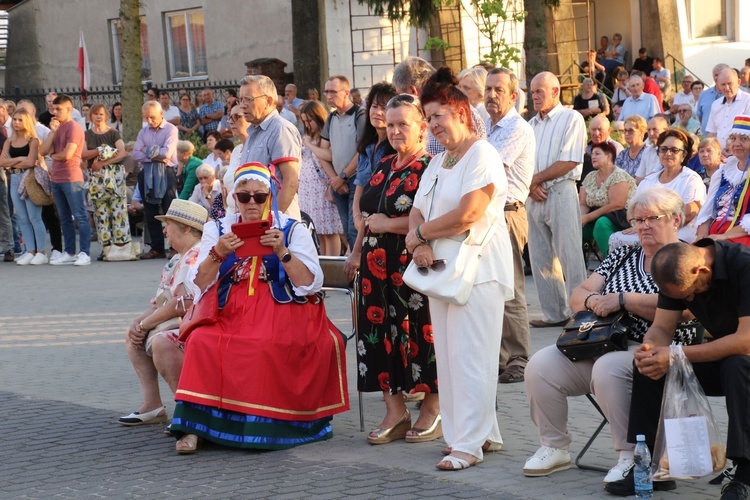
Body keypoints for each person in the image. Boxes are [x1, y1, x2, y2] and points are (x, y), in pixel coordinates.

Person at [524, 187, 699, 485]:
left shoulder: (686, 258)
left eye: (652, 218)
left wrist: (622, 300)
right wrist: (594, 301)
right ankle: (554, 446)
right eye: (637, 219)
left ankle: (632, 455)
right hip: (601, 342)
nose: (643, 226)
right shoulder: (622, 256)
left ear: (676, 220)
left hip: (657, 353)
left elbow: (686, 311)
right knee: (540, 365)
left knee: (609, 369)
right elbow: (578, 295)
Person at [173, 163, 349, 454]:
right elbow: (198, 285)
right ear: (232, 197)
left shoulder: (292, 229)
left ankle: (260, 430)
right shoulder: (216, 229)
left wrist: (282, 252)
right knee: (201, 342)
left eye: (259, 196)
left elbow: (310, 284)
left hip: (284, 308)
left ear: (271, 195)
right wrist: (219, 252)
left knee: (261, 345)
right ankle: (193, 427)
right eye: (244, 197)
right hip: (230, 310)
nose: (251, 202)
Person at [405, 67, 514, 470]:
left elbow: (469, 213)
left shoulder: (481, 153)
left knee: (472, 357)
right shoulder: (439, 160)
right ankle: (473, 433)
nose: (433, 124)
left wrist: (418, 235)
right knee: (450, 359)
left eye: (439, 116)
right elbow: (418, 207)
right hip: (442, 267)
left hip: (478, 269)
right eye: (429, 117)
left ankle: (469, 444)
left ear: (463, 114)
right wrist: (418, 238)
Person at [608, 239, 750, 498]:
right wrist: (650, 348)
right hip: (726, 354)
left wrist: (674, 354)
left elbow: (745, 342)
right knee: (650, 367)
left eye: (691, 293)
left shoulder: (744, 265)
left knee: (737, 365)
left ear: (702, 270)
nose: (690, 299)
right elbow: (662, 327)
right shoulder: (675, 269)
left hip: (744, 355)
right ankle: (651, 467)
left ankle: (745, 476)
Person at [351, 93, 438, 446]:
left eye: (404, 124)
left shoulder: (431, 166)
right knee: (377, 336)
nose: (396, 131)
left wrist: (389, 226)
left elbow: (431, 221)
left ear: (422, 126)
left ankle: (432, 409)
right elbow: (369, 217)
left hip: (410, 265)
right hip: (374, 268)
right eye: (390, 125)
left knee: (419, 335)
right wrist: (356, 250)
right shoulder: (385, 163)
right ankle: (395, 410)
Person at [119, 199, 205, 427]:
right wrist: (138, 323)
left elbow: (185, 303)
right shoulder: (177, 259)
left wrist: (146, 324)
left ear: (186, 228)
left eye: (169, 224)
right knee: (133, 332)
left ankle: (186, 412)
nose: (164, 229)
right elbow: (161, 302)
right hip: (176, 322)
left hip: (196, 326)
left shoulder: (198, 255)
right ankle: (152, 405)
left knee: (162, 342)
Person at [484, 68, 535, 384]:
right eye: (488, 88)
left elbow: (489, 169)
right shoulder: (488, 126)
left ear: (514, 95)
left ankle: (519, 358)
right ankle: (501, 358)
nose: (491, 95)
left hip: (508, 213)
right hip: (488, 214)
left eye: (498, 89)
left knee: (511, 288)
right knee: (492, 288)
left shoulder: (517, 128)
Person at [527, 71, 588, 328]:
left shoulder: (571, 118)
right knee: (540, 256)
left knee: (569, 254)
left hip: (561, 190)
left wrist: (534, 180)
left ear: (555, 91)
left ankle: (581, 312)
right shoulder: (530, 125)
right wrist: (530, 185)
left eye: (540, 91)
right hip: (534, 194)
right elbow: (523, 163)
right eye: (532, 92)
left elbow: (571, 160)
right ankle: (555, 313)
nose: (535, 97)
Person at [610, 129, 706, 251]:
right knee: (616, 239)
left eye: (674, 150)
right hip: (646, 230)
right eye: (664, 149)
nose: (668, 153)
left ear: (684, 155)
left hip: (678, 232)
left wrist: (657, 227)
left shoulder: (691, 179)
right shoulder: (648, 181)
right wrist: (638, 225)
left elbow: (689, 212)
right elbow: (632, 211)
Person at [391, 56, 487, 157]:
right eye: (429, 119)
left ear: (412, 91)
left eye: (402, 97)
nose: (433, 124)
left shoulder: (455, 108)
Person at [238, 74, 302, 220]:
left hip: (277, 227)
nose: (242, 105)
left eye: (248, 99)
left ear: (268, 101)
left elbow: (291, 181)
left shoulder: (280, 130)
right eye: (241, 99)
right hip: (257, 223)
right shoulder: (254, 132)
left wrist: (271, 221)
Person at [347, 82, 397, 262]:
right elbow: (360, 184)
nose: (377, 112)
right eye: (374, 106)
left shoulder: (395, 149)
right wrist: (357, 216)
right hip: (362, 222)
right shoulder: (367, 146)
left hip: (383, 225)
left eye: (384, 108)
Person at [39, 94, 90, 266]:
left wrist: (54, 155)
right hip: (57, 177)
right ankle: (69, 252)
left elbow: (68, 154)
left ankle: (85, 253)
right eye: (53, 109)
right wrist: (52, 132)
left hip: (71, 177)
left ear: (68, 109)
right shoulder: (57, 128)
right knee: (64, 218)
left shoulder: (74, 128)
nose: (54, 112)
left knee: (80, 216)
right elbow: (43, 151)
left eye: (58, 109)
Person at [318, 75, 366, 250]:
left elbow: (362, 152)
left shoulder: (360, 115)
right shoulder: (331, 118)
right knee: (346, 230)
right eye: (327, 91)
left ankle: (359, 270)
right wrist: (335, 179)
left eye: (333, 92)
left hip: (356, 180)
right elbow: (323, 152)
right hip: (338, 180)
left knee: (355, 229)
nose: (328, 96)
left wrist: (343, 176)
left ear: (347, 92)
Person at [81, 104, 132, 260]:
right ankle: (106, 249)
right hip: (96, 178)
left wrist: (102, 162)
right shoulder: (86, 134)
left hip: (114, 176)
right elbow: (84, 154)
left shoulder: (113, 133)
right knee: (101, 213)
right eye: (95, 114)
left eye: (101, 114)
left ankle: (121, 248)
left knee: (118, 211)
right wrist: (101, 150)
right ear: (90, 116)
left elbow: (122, 153)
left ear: (106, 116)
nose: (98, 117)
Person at [132, 101, 179, 260]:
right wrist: (154, 153)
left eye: (152, 117)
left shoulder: (171, 129)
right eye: (146, 118)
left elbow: (167, 153)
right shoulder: (143, 132)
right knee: (150, 212)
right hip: (146, 173)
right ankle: (157, 248)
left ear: (161, 114)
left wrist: (146, 151)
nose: (149, 121)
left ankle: (175, 247)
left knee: (170, 211)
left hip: (166, 172)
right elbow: (135, 154)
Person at [0, 109, 46, 265]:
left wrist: (12, 161)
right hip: (14, 177)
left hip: (29, 178)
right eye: (14, 119)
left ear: (26, 121)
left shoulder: (33, 140)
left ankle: (41, 251)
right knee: (22, 218)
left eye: (20, 120)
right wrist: (20, 157)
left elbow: (31, 162)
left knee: (34, 217)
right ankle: (30, 250)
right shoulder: (8, 141)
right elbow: (1, 162)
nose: (16, 122)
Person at [298, 99, 343, 256]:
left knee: (330, 231)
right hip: (309, 191)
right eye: (304, 121)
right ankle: (324, 263)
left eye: (310, 120)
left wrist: (310, 145)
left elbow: (329, 155)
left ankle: (333, 264)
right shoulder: (308, 136)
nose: (307, 124)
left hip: (322, 188)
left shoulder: (326, 135)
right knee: (319, 232)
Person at [695, 117, 750, 244]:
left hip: (742, 234)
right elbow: (707, 211)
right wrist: (702, 236)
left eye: (744, 139)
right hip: (715, 232)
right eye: (733, 138)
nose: (736, 143)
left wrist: (724, 237)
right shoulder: (723, 172)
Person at [579, 141, 636, 256]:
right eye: (592, 154)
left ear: (609, 156)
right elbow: (583, 203)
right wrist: (580, 219)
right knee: (576, 229)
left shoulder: (619, 175)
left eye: (597, 153)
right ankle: (578, 270)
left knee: (601, 224)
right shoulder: (590, 176)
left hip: (622, 216)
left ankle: (613, 265)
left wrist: (588, 217)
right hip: (597, 215)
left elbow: (617, 204)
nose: (593, 156)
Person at [706, 68, 750, 148]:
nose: (726, 88)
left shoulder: (747, 100)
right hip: (720, 156)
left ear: (738, 82)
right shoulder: (715, 104)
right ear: (718, 85)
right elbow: (712, 133)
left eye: (730, 83)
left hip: (742, 155)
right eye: (723, 84)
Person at [634, 115, 671, 183]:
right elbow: (638, 178)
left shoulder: (668, 151)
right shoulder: (647, 151)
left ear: (666, 130)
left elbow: (653, 176)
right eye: (649, 130)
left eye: (655, 129)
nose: (651, 133)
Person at [696, 63, 730, 135]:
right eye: (716, 75)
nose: (717, 78)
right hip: (707, 138)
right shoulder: (704, 94)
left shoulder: (732, 94)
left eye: (720, 74)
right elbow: (700, 116)